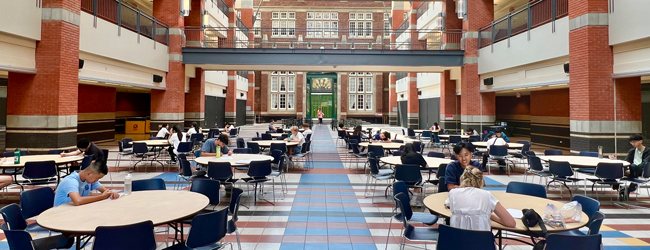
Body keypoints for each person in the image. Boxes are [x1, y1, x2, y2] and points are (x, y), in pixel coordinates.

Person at [447, 166, 516, 231]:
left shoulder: (453, 193)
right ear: (481, 181)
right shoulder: (487, 195)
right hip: (481, 242)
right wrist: (490, 215)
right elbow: (511, 223)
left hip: (456, 241)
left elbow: (448, 204)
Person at [54, 161, 119, 206]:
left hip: (75, 211)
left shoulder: (90, 180)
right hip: (61, 213)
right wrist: (102, 197)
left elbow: (105, 191)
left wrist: (111, 193)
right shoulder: (71, 181)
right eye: (97, 178)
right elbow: (77, 201)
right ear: (89, 173)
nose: (96, 180)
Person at [610, 134, 650, 198]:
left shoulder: (648, 151)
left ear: (640, 141)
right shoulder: (632, 151)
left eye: (634, 141)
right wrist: (616, 160)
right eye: (631, 142)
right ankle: (618, 187)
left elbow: (644, 163)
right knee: (613, 170)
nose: (633, 143)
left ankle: (627, 188)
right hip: (631, 169)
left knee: (633, 167)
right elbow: (626, 161)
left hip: (642, 170)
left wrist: (630, 168)